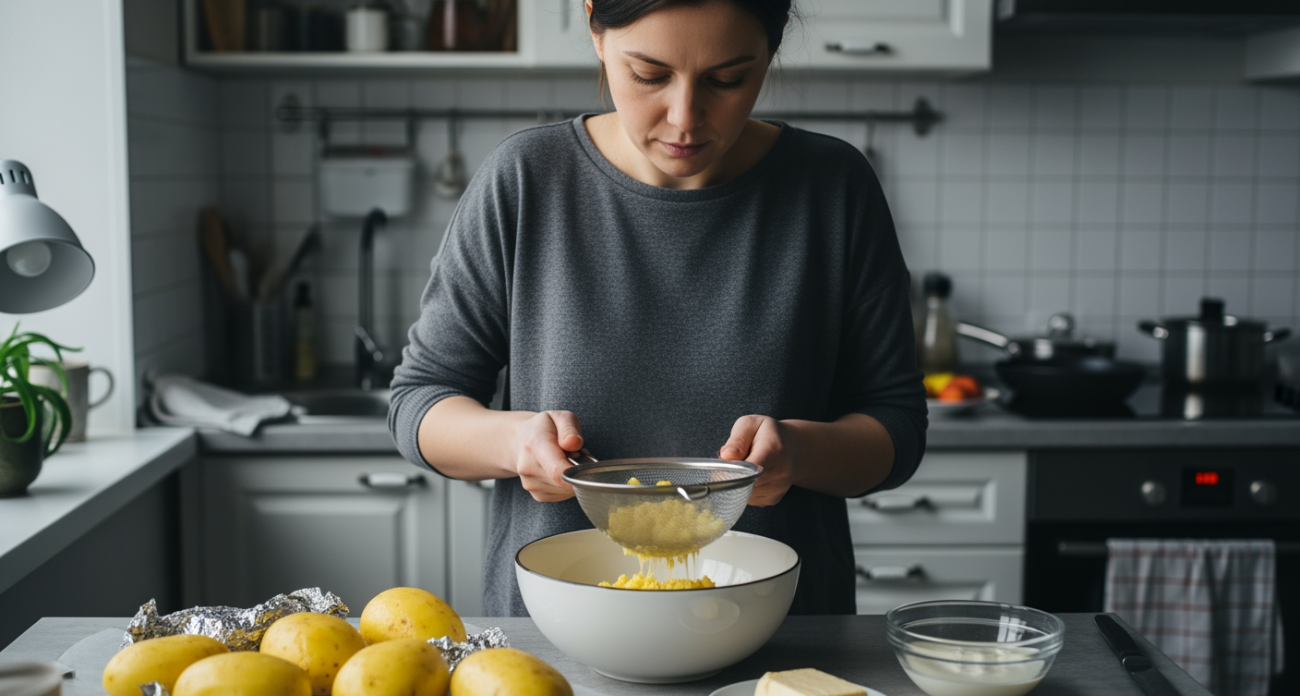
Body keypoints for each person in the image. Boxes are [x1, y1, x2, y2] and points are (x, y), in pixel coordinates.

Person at [389, 0, 927, 616]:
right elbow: (420, 402)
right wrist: (512, 442)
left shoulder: (834, 188)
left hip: (783, 636)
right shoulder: (523, 180)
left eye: (728, 79)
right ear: (594, 25)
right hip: (562, 637)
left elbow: (898, 428)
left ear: (773, 46)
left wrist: (801, 453)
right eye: (649, 75)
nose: (685, 118)